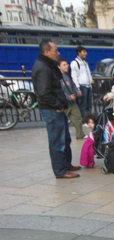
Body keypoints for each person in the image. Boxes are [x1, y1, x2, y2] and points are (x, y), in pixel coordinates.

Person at [32, 39, 80, 179]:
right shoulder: (42, 67)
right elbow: (44, 93)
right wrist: (58, 105)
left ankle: (66, 164)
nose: (58, 53)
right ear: (47, 52)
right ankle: (60, 170)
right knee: (57, 141)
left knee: (65, 139)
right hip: (52, 109)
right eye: (55, 51)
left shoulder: (49, 65)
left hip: (58, 107)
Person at [58, 58, 84, 140]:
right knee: (62, 121)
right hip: (64, 103)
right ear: (58, 67)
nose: (67, 66)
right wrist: (68, 97)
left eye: (67, 64)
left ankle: (80, 134)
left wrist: (77, 91)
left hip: (72, 102)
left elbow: (73, 85)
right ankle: (61, 137)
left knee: (78, 117)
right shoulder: (57, 78)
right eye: (64, 65)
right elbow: (59, 91)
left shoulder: (67, 75)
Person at [70, 46, 93, 116]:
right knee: (83, 105)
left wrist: (91, 84)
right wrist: (77, 88)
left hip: (88, 86)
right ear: (79, 53)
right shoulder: (74, 63)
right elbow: (74, 76)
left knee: (89, 105)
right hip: (82, 87)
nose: (86, 53)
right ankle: (84, 120)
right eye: (84, 52)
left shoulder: (85, 63)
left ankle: (89, 120)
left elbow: (88, 73)